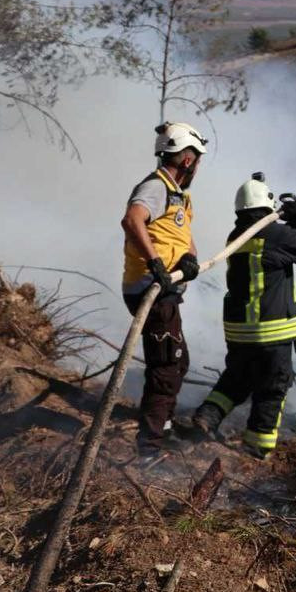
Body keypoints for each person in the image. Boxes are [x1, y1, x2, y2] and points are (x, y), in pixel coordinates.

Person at [191, 173, 296, 459]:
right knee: (272, 386)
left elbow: (278, 248)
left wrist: (288, 219)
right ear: (267, 205)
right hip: (272, 331)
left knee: (237, 379)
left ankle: (206, 417)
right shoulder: (274, 234)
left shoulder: (237, 235)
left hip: (240, 331)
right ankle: (257, 447)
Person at [120, 122, 207, 457]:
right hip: (151, 289)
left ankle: (163, 427)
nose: (198, 166)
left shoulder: (177, 195)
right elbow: (132, 219)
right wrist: (156, 262)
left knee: (177, 363)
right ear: (188, 160)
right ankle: (150, 449)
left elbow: (180, 237)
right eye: (197, 159)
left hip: (165, 289)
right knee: (166, 367)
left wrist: (189, 259)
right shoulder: (156, 187)